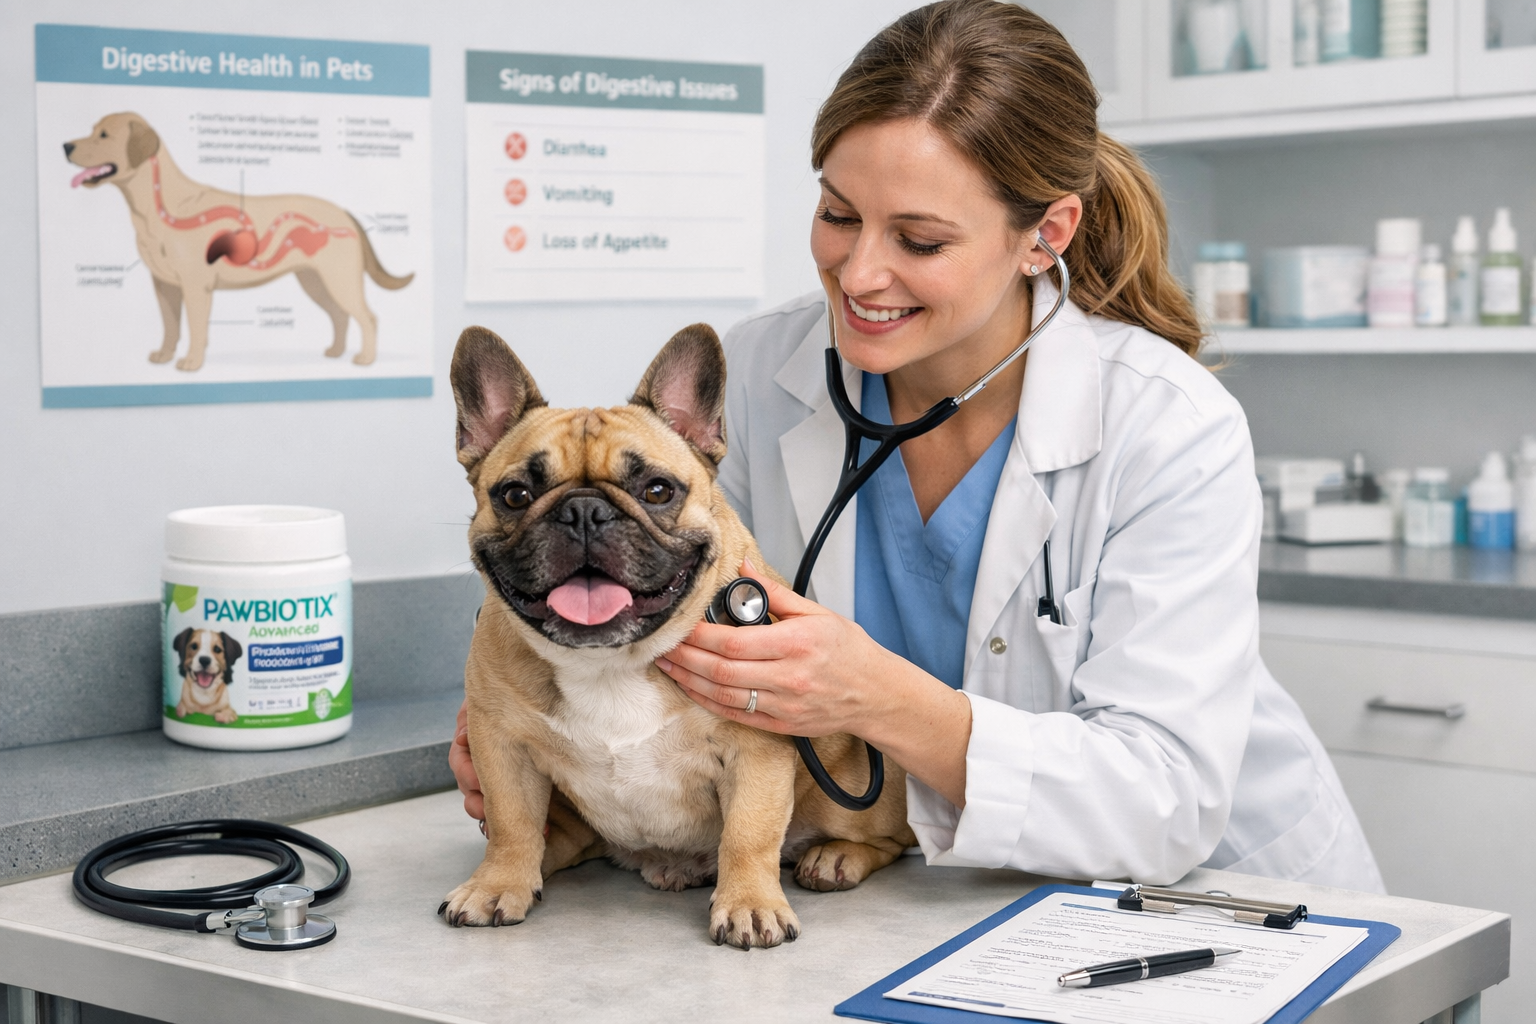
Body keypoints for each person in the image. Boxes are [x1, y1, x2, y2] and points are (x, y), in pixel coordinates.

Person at [452, 0, 1384, 892]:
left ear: (1043, 235)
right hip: (897, 884)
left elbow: (1165, 801)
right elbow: (636, 574)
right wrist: (535, 710)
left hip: (1207, 904)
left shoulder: (1166, 423)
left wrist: (873, 697)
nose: (858, 274)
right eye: (839, 214)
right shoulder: (765, 367)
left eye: (922, 240)